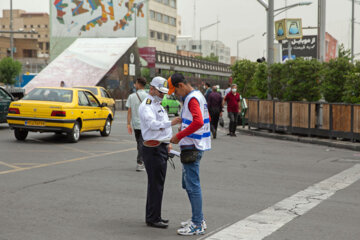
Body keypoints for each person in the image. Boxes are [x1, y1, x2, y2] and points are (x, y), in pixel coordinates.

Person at [168, 73, 210, 236]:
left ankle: (197, 223)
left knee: (192, 186)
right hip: (195, 144)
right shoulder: (198, 95)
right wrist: (183, 124)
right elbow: (201, 119)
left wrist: (180, 135)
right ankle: (198, 218)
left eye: (175, 91)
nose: (176, 94)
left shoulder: (191, 99)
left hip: (192, 146)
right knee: (188, 184)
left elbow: (198, 121)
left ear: (180, 86)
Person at [138, 76, 180, 229]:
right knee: (155, 184)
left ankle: (155, 215)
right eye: (160, 92)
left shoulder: (158, 104)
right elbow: (152, 124)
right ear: (152, 89)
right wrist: (172, 122)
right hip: (153, 148)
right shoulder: (146, 105)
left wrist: (168, 143)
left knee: (158, 184)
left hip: (161, 147)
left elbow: (164, 129)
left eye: (164, 92)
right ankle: (153, 218)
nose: (162, 95)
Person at [126, 77, 148, 171]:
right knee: (142, 143)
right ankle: (141, 162)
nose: (135, 85)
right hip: (145, 124)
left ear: (138, 84)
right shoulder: (148, 96)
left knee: (139, 143)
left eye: (136, 83)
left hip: (135, 124)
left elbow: (129, 111)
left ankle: (140, 162)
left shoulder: (131, 96)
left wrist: (128, 124)